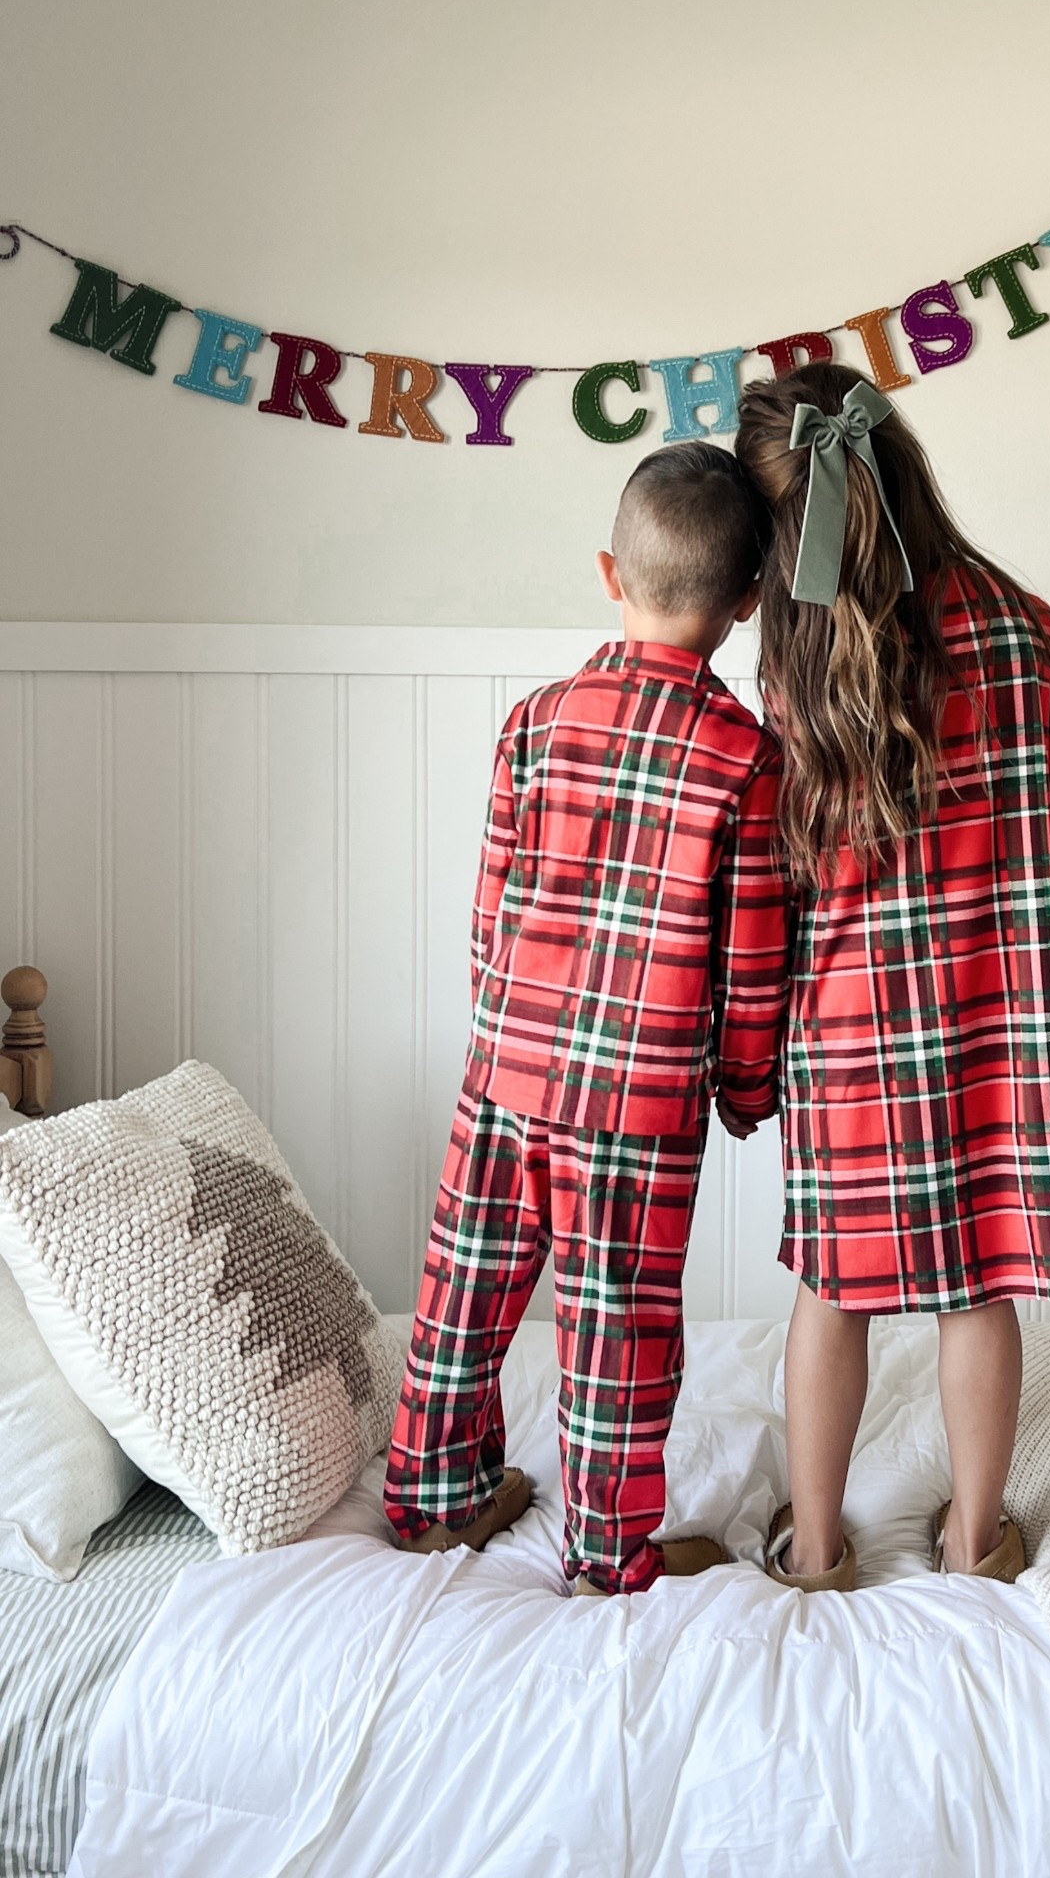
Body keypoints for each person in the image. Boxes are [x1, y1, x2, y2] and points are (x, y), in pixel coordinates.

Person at [383, 442, 791, 1595]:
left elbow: (491, 911)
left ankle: (432, 1496)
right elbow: (752, 952)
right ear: (748, 601)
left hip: (508, 1072)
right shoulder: (745, 758)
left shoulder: (535, 720)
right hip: (638, 1103)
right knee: (618, 1326)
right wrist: (746, 1085)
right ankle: (611, 1552)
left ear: (610, 572)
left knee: (464, 1288)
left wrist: (503, 1031)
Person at [733, 363, 1050, 1592]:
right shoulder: (1025, 625)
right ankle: (973, 1537)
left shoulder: (795, 660)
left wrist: (765, 1033)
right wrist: (1028, 964)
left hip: (847, 1019)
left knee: (831, 1288)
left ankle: (817, 1547)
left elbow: (779, 876)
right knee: (980, 1281)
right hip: (998, 1008)